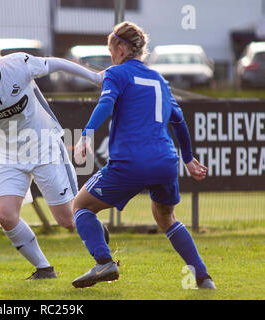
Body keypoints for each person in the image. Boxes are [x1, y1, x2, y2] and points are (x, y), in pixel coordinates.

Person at [0, 29, 105, 280]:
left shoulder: (19, 65)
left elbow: (55, 63)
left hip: (44, 146)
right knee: (5, 215)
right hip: (7, 154)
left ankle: (102, 248)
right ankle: (44, 269)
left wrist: (95, 77)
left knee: (68, 220)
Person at [71, 21, 216, 289]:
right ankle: (203, 277)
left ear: (122, 48)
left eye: (111, 50)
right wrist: (188, 158)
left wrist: (87, 134)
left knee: (80, 207)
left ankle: (104, 262)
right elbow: (180, 121)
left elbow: (105, 102)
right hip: (165, 162)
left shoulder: (116, 73)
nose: (111, 57)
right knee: (166, 218)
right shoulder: (160, 79)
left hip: (131, 162)